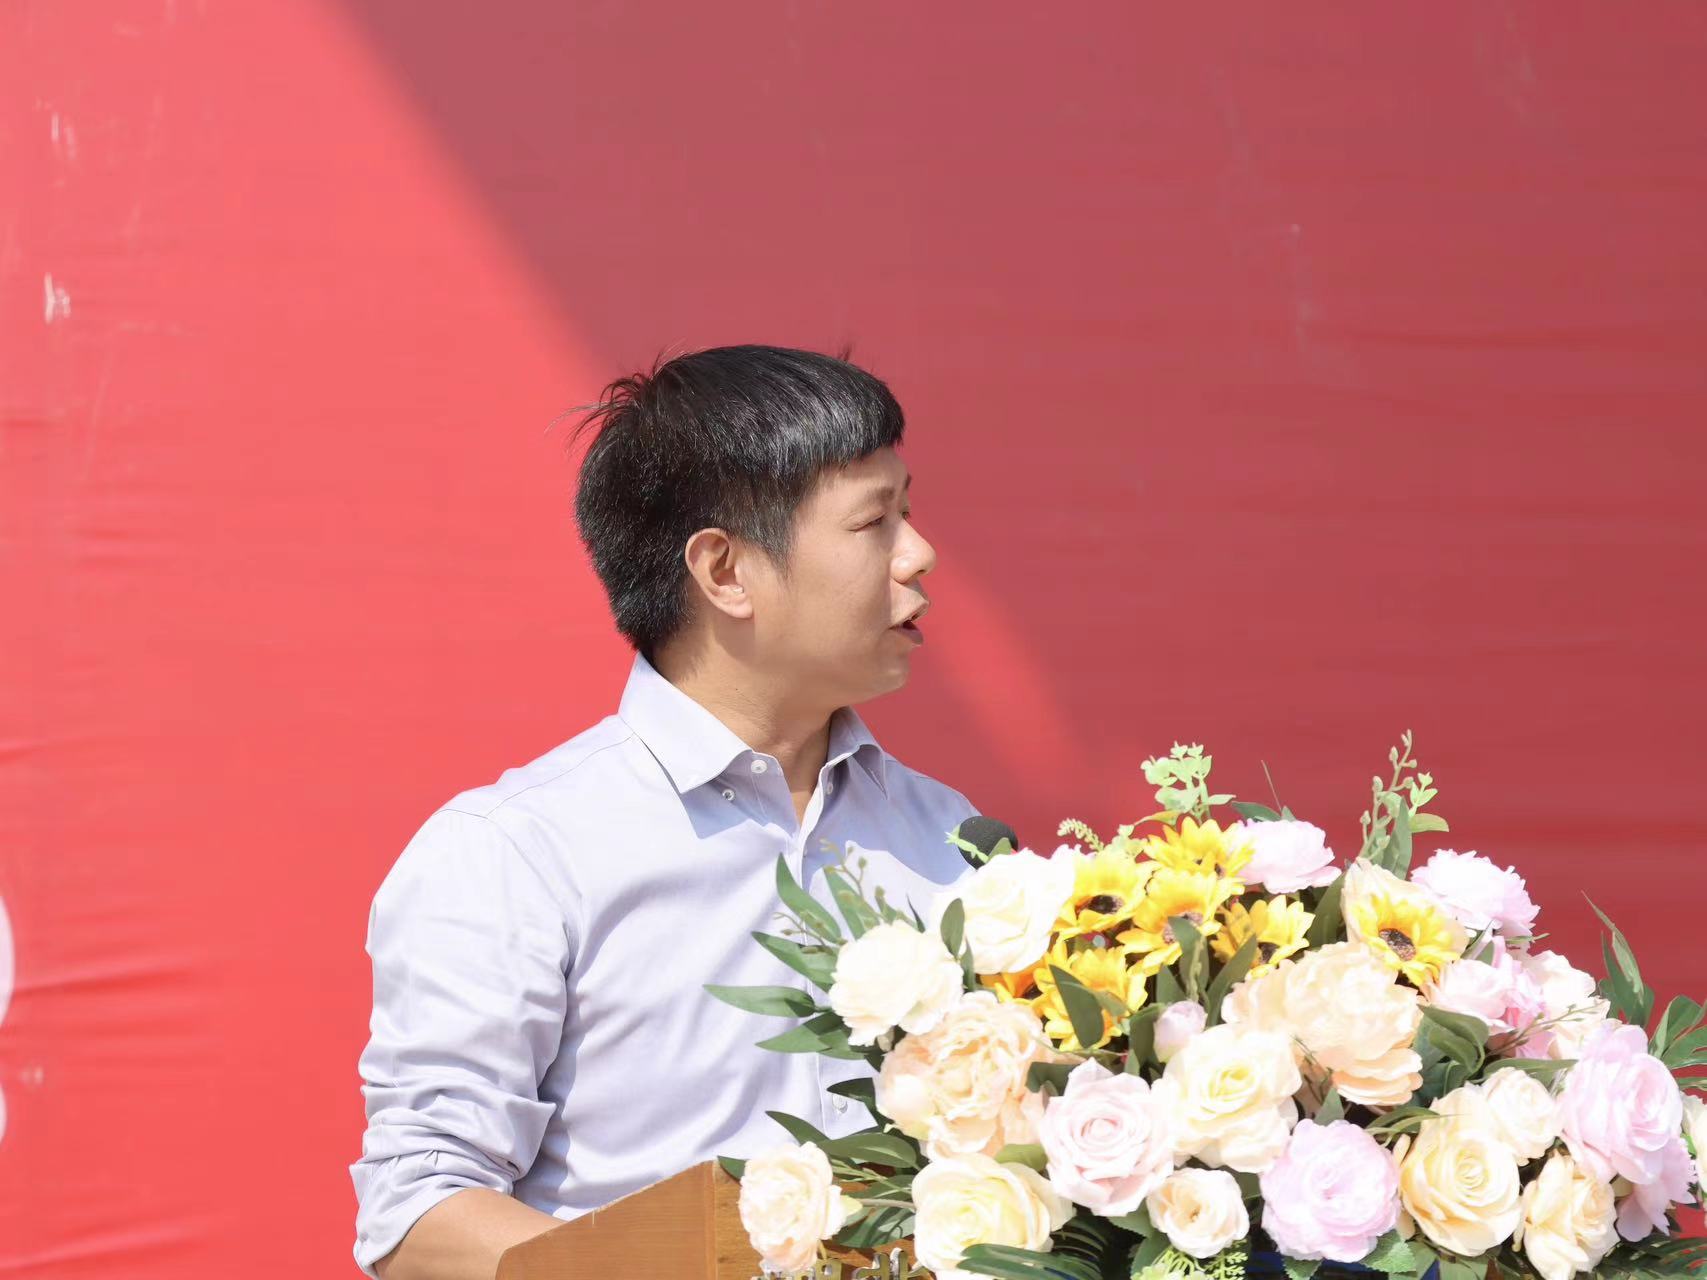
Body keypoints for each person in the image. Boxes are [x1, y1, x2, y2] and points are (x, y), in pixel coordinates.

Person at [350, 344, 980, 1280]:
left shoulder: (954, 841)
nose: (918, 554)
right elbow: (419, 1213)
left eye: (909, 511)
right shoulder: (516, 854)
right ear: (725, 572)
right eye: (872, 521)